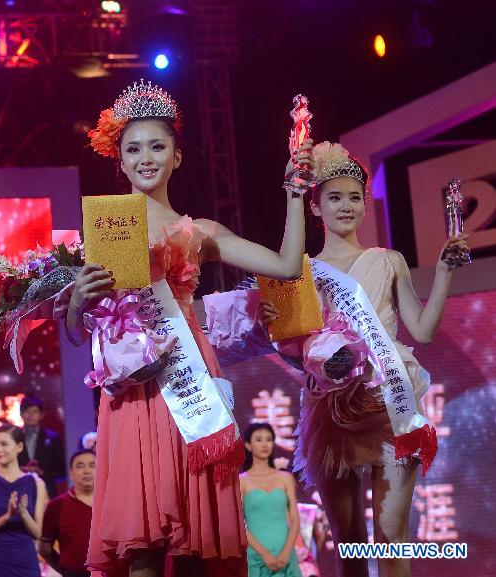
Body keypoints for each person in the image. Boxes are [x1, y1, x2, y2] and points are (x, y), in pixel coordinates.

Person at [63, 80, 310, 576]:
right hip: (132, 391)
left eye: (158, 146)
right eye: (133, 148)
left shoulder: (201, 232)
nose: (146, 158)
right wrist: (78, 301)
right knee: (142, 548)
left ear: (177, 156)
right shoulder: (100, 231)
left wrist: (294, 194)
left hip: (188, 376)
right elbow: (75, 332)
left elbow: (285, 266)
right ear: (120, 158)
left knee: (197, 542)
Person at [255, 142, 469, 577]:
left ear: (365, 206)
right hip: (330, 411)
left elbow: (422, 332)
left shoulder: (388, 261)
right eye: (334, 197)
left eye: (355, 197)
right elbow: (298, 359)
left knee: (392, 537)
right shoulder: (301, 272)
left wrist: (444, 272)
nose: (346, 206)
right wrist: (273, 331)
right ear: (315, 207)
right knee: (349, 544)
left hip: (389, 402)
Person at [0, 425, 46, 577]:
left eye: (4, 444)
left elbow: (38, 533)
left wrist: (24, 515)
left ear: (19, 447)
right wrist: (7, 516)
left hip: (25, 562)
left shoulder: (36, 483)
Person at [239, 424, 301, 577]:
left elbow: (295, 519)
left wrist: (286, 553)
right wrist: (264, 554)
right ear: (248, 445)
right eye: (259, 440)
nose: (265, 444)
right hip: (257, 556)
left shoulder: (285, 478)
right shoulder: (241, 482)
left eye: (269, 439)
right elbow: (240, 525)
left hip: (285, 554)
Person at [39, 450, 96, 577]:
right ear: (71, 473)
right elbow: (44, 548)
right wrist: (64, 570)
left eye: (92, 465)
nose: (87, 471)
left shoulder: (112, 503)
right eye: (80, 466)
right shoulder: (56, 506)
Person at [17, 396, 65, 498]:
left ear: (41, 415)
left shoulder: (53, 438)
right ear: (21, 414)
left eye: (34, 412)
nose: (30, 415)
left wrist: (43, 472)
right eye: (27, 411)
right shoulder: (14, 437)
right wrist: (20, 470)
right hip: (20, 489)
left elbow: (61, 469)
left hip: (46, 490)